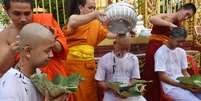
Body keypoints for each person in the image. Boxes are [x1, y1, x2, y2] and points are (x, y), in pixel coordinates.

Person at [63, 0, 116, 101]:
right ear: (81, 7)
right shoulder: (74, 18)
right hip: (74, 67)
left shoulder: (95, 24)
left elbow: (110, 34)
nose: (93, 11)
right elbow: (73, 22)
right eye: (90, 8)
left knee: (90, 95)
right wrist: (95, 14)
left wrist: (123, 30)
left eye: (94, 8)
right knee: (76, 95)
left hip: (89, 67)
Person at [0, 0, 68, 80]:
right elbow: (2, 70)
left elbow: (62, 50)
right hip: (28, 84)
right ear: (7, 11)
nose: (23, 19)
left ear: (32, 11)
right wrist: (11, 52)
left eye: (27, 13)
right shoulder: (4, 36)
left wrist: (51, 41)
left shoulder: (45, 20)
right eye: (17, 14)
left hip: (55, 80)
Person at [142, 3, 197, 101]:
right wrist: (170, 24)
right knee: (152, 76)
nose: (186, 17)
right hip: (155, 47)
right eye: (187, 14)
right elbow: (152, 19)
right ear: (181, 9)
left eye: (189, 17)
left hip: (170, 49)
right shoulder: (165, 16)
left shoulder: (179, 25)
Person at [0, 23, 66, 101]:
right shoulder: (10, 85)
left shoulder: (38, 75)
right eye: (47, 50)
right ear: (28, 51)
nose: (51, 55)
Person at [95, 34, 147, 101]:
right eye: (122, 49)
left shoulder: (133, 58)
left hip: (128, 93)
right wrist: (112, 88)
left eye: (127, 49)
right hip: (111, 94)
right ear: (114, 44)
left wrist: (128, 89)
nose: (124, 52)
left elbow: (134, 79)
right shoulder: (104, 59)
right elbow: (100, 82)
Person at [155, 27, 201, 101]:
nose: (181, 44)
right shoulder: (160, 52)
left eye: (183, 41)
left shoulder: (181, 51)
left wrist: (192, 83)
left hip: (184, 83)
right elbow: (162, 76)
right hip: (170, 87)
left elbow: (184, 72)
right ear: (171, 37)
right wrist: (183, 86)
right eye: (179, 41)